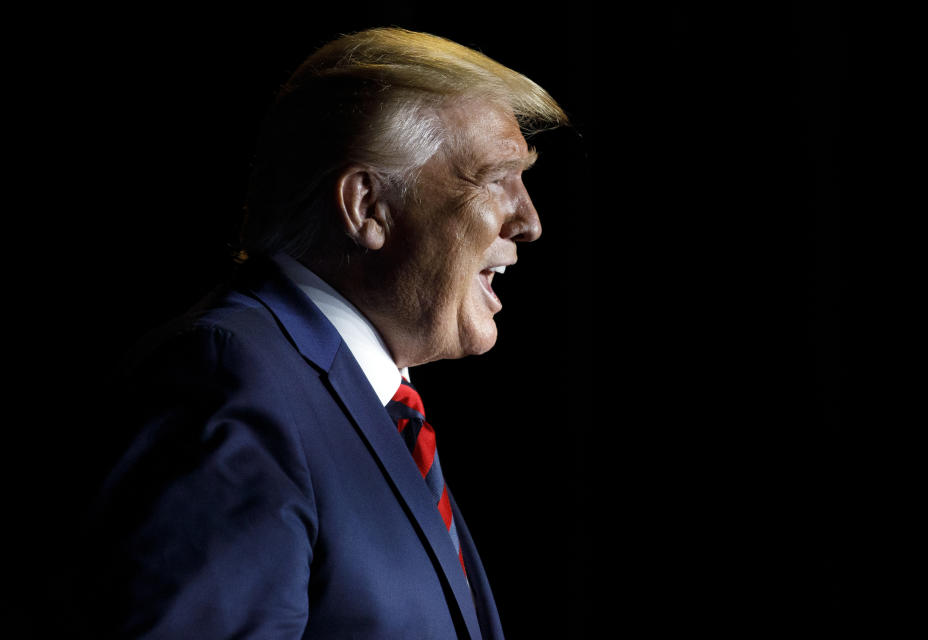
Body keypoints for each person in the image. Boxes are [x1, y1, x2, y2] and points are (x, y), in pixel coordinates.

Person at [75, 27, 568, 639]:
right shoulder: (226, 378)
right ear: (367, 208)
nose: (530, 222)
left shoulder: (369, 409)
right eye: (498, 178)